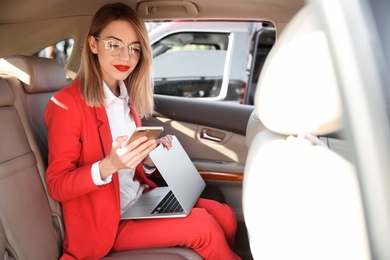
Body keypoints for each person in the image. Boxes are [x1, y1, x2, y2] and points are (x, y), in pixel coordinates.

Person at [44, 2, 241, 259]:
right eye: (114, 44)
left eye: (134, 48)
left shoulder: (126, 96)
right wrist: (108, 165)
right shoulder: (66, 104)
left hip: (138, 200)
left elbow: (132, 171)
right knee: (204, 227)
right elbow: (57, 185)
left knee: (225, 215)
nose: (125, 57)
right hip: (108, 223)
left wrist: (147, 158)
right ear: (93, 45)